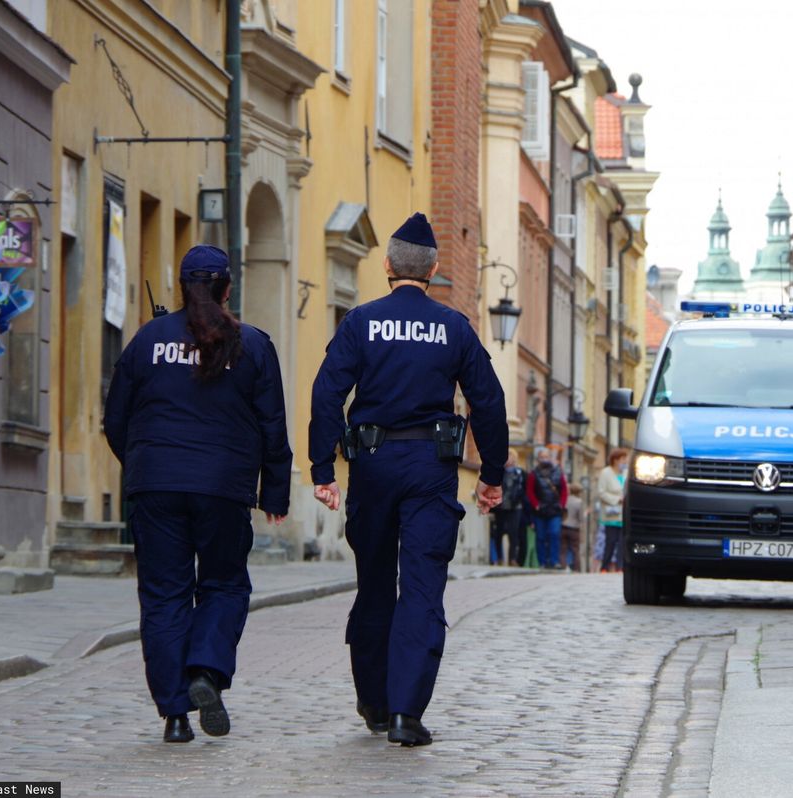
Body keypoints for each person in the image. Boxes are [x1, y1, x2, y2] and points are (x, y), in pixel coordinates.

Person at [308, 212, 508, 747]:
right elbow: (487, 401)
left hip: (372, 466)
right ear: (435, 268)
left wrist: (323, 469)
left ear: (388, 265)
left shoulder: (359, 322)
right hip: (430, 470)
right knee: (421, 588)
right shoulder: (455, 327)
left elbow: (327, 393)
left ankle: (373, 701)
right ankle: (406, 713)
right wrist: (491, 474)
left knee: (374, 583)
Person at [103, 245, 291, 744]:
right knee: (225, 585)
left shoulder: (148, 340)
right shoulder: (251, 344)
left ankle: (175, 715)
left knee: (164, 595)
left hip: (156, 484)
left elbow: (116, 416)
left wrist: (143, 464)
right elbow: (273, 423)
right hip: (224, 488)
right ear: (228, 287)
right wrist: (274, 491)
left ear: (183, 288)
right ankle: (206, 671)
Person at [526, 447, 568, 569]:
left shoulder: (558, 472)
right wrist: (536, 505)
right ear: (538, 459)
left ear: (550, 458)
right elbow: (530, 491)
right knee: (540, 537)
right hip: (540, 510)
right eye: (542, 457)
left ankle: (554, 561)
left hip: (555, 509)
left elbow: (564, 490)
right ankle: (542, 562)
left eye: (546, 456)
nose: (544, 459)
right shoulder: (533, 474)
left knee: (554, 534)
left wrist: (562, 504)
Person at [491, 450, 526, 566]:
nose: (508, 460)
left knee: (513, 533)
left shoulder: (520, 473)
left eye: (510, 457)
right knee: (498, 533)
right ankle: (500, 558)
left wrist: (518, 500)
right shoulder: (499, 472)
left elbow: (524, 490)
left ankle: (512, 559)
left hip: (515, 507)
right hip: (500, 507)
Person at [597, 449, 628, 572]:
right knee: (610, 541)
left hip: (624, 514)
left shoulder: (626, 473)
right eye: (623, 459)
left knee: (622, 541)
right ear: (615, 460)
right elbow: (601, 492)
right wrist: (616, 499)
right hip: (611, 513)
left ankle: (620, 566)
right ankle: (605, 566)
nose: (625, 462)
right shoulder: (606, 473)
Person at [561, 482, 585, 572]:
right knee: (575, 550)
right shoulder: (579, 502)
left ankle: (563, 566)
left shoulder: (565, 499)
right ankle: (577, 569)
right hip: (574, 528)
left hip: (563, 526)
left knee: (563, 549)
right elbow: (581, 518)